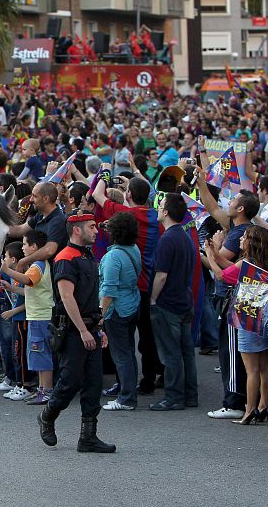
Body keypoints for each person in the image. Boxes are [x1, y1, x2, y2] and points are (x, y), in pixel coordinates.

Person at [37, 210, 116, 454]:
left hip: (89, 327)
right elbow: (66, 297)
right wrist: (83, 331)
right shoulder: (66, 258)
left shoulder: (87, 255)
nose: (96, 230)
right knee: (70, 381)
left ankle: (88, 437)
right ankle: (47, 416)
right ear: (77, 230)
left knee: (93, 383)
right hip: (73, 330)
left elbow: (91, 297)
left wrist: (98, 328)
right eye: (92, 227)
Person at [93, 173, 164, 395]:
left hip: (127, 284)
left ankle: (125, 387)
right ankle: (149, 379)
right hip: (150, 283)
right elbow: (149, 198)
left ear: (129, 195)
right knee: (147, 337)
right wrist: (131, 188)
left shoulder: (126, 215)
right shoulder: (156, 217)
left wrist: (105, 174)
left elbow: (96, 194)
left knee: (122, 343)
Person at [206, 225, 268, 424]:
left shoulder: (246, 263)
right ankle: (263, 405)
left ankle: (249, 410)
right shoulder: (263, 262)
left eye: (244, 237)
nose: (240, 240)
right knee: (264, 366)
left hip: (246, 318)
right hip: (262, 317)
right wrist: (217, 253)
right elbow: (229, 266)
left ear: (250, 242)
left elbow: (221, 275)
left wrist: (210, 254)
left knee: (251, 369)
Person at [149, 193, 198, 411]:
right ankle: (189, 394)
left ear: (167, 212)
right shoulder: (185, 236)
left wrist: (153, 298)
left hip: (168, 302)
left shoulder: (167, 239)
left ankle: (174, 396)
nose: (158, 208)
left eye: (161, 206)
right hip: (184, 299)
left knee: (170, 352)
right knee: (186, 351)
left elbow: (161, 275)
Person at [0, 230, 54, 405]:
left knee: (41, 353)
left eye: (24, 244)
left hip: (41, 315)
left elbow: (28, 280)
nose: (22, 247)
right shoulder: (37, 265)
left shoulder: (38, 264)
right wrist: (11, 288)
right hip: (35, 315)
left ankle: (47, 390)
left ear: (34, 246)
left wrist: (8, 270)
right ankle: (41, 388)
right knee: (36, 355)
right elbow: (28, 289)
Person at [100, 212, 141, 411]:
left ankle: (126, 398)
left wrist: (100, 314)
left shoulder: (112, 256)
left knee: (121, 354)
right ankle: (128, 390)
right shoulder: (134, 249)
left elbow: (108, 290)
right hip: (132, 303)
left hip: (116, 309)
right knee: (128, 352)